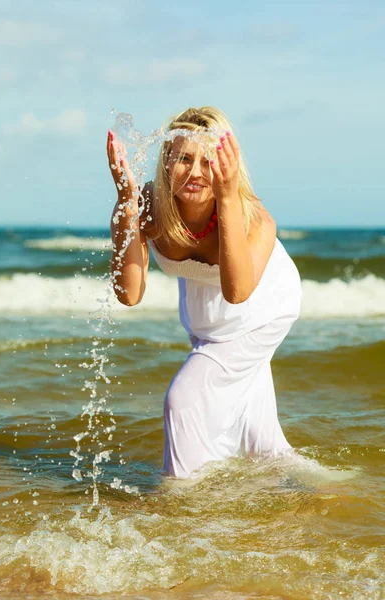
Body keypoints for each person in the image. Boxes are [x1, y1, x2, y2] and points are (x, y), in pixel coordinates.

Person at [107, 106, 302, 479]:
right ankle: (333, 490)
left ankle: (181, 501)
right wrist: (126, 202)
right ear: (166, 162)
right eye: (183, 158)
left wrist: (227, 199)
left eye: (207, 160)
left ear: (227, 164)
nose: (196, 172)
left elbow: (238, 291)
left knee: (184, 401)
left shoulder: (253, 218)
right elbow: (129, 294)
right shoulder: (149, 207)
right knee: (262, 443)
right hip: (207, 319)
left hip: (262, 307)